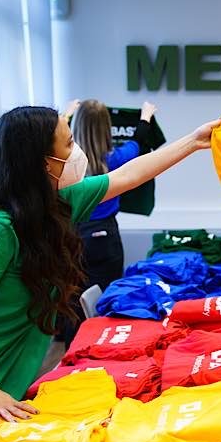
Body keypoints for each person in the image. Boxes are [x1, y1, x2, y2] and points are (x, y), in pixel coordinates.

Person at [0, 105, 219, 442]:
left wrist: (193, 141)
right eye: (69, 144)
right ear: (43, 162)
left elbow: (128, 176)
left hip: (3, 395)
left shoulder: (54, 206)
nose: (78, 152)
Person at [58, 99, 156, 348]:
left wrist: (66, 115)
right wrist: (145, 116)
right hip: (105, 237)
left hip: (73, 236)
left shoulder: (64, 165)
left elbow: (50, 138)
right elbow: (138, 141)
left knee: (73, 301)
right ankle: (104, 351)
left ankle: (72, 357)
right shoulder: (115, 160)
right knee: (109, 298)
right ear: (106, 129)